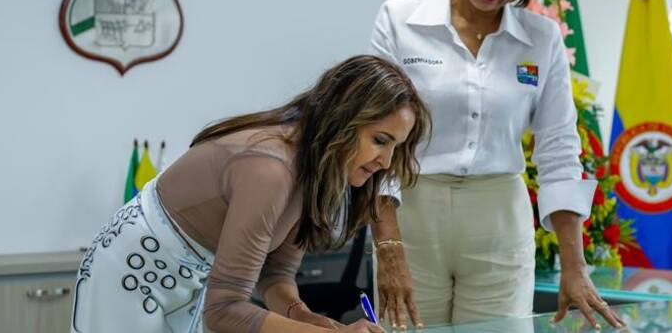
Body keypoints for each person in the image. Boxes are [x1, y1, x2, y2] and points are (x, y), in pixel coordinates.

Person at [369, 0, 625, 330]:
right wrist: (388, 245)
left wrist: (574, 265)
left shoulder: (541, 39)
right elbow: (374, 139)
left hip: (498, 218)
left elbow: (559, 151)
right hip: (411, 211)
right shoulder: (399, 19)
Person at [70, 55, 431, 333]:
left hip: (187, 283)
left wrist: (320, 322)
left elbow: (276, 275)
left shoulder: (315, 169)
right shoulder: (270, 170)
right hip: (129, 274)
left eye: (395, 148)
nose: (385, 161)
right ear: (342, 120)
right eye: (380, 141)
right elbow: (224, 310)